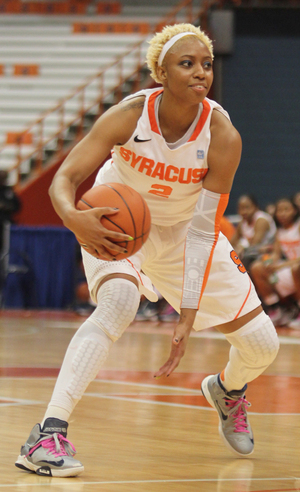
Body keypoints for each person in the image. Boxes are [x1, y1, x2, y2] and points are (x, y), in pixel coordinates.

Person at [15, 23, 279, 477]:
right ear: (160, 71)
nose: (201, 73)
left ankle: (227, 389)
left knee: (262, 346)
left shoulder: (223, 136)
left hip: (184, 233)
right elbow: (65, 179)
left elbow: (202, 230)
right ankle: (47, 434)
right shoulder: (128, 115)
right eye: (187, 63)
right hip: (116, 220)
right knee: (118, 304)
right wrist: (72, 216)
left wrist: (188, 314)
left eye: (207, 64)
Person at [250, 197, 300, 328]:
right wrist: (269, 262)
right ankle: (276, 309)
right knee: (257, 267)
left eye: (286, 209)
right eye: (279, 210)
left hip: (295, 267)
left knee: (296, 268)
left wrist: (281, 265)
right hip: (289, 267)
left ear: (295, 211)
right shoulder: (280, 231)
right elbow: (276, 254)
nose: (282, 213)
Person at [231, 194, 277, 270]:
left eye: (247, 207)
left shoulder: (261, 220)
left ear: (256, 207)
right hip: (252, 254)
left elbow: (255, 244)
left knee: (242, 260)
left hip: (268, 254)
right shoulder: (242, 223)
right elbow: (231, 242)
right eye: (241, 208)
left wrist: (241, 246)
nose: (244, 211)